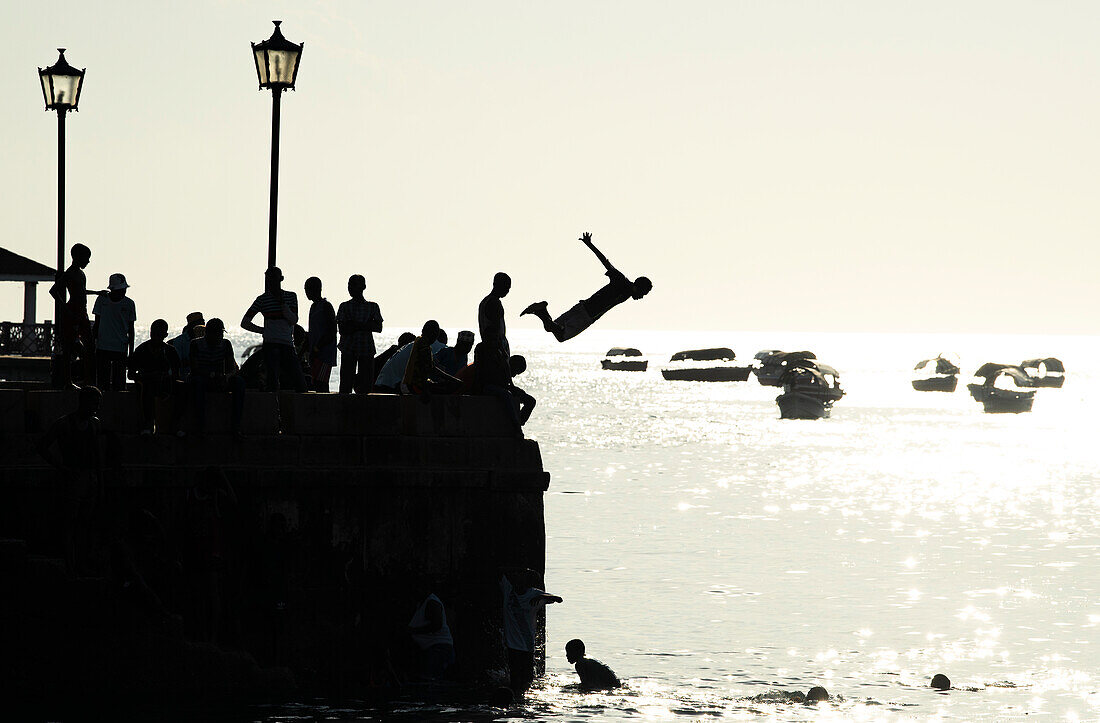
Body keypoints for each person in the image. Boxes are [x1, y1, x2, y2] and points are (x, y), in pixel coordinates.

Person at [521, 232, 651, 342]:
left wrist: (589, 244)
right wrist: (590, 245)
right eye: (643, 293)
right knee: (560, 336)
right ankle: (542, 310)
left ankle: (541, 311)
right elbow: (606, 262)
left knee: (551, 327)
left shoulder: (622, 281)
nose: (641, 297)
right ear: (639, 287)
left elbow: (607, 263)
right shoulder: (622, 282)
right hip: (588, 315)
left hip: (582, 306)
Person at [37, 386, 103, 572]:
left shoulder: (94, 424)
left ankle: (81, 564)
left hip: (89, 479)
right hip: (73, 479)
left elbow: (97, 455)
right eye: (94, 404)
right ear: (83, 403)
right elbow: (42, 446)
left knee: (84, 525)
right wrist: (62, 468)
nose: (96, 408)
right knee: (70, 525)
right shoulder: (64, 424)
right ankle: (71, 565)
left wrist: (100, 481)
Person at [241, 267, 306, 393]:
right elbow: (245, 322)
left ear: (280, 279)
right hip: (271, 344)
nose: (271, 282)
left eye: (274, 279)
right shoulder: (262, 299)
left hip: (287, 344)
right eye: (269, 279)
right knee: (273, 381)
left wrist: (283, 304)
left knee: (299, 381)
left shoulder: (291, 296)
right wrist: (263, 331)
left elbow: (293, 320)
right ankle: (272, 409)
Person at [499, 568, 562, 694]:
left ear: (527, 582)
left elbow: (558, 599)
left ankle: (521, 704)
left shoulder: (534, 594)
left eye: (522, 577)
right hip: (511, 645)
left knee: (526, 681)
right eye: (517, 576)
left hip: (526, 646)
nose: (517, 578)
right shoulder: (508, 590)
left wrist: (541, 596)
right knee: (514, 680)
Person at [49, 243, 99, 387]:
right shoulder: (70, 273)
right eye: (86, 258)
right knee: (69, 348)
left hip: (82, 312)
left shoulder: (80, 273)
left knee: (90, 346)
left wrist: (96, 293)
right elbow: (54, 291)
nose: (88, 262)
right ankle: (68, 380)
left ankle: (89, 380)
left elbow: (81, 292)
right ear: (77, 257)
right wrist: (66, 309)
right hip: (72, 312)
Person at [189, 318, 246, 437]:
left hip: (220, 379)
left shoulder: (226, 344)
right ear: (208, 333)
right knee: (197, 382)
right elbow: (194, 369)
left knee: (239, 382)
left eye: (220, 333)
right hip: (203, 379)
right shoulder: (196, 344)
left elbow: (231, 368)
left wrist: (226, 377)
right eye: (217, 333)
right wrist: (212, 375)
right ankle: (200, 426)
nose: (219, 336)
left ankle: (236, 426)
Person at [128, 319, 184, 436]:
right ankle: (148, 424)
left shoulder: (170, 351)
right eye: (154, 333)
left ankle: (177, 424)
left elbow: (176, 374)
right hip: (147, 383)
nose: (156, 337)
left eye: (159, 334)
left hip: (165, 383)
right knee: (148, 386)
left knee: (182, 388)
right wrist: (145, 376)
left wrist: (166, 377)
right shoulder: (142, 349)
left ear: (165, 335)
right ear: (150, 333)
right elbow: (131, 374)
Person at [335, 274, 383, 394]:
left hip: (364, 348)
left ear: (363, 287)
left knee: (365, 385)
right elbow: (342, 329)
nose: (350, 288)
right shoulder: (345, 306)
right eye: (349, 285)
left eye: (353, 285)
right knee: (346, 384)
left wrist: (354, 325)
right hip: (350, 348)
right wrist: (365, 325)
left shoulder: (372, 306)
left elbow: (378, 327)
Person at [91, 273, 137, 391]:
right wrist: (92, 345)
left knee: (119, 383)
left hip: (120, 348)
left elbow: (131, 329)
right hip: (102, 346)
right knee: (102, 382)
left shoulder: (129, 303)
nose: (123, 292)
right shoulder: (101, 300)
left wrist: (130, 352)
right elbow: (97, 324)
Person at [402, 320, 461, 395]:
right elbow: (431, 369)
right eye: (433, 333)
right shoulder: (424, 345)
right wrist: (453, 379)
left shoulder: (419, 341)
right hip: (414, 386)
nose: (433, 336)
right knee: (451, 387)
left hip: (411, 384)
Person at [407, 591, 455, 681]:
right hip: (433, 649)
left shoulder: (432, 602)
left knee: (430, 682)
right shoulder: (421, 603)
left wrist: (414, 631)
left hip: (438, 649)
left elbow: (437, 625)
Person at [374, 332, 445, 393]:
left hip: (382, 384)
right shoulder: (429, 347)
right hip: (390, 387)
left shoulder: (401, 351)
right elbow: (432, 369)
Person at [304, 277, 338, 392]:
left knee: (321, 383)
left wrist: (317, 348)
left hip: (324, 354)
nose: (306, 292)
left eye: (308, 289)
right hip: (316, 354)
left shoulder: (326, 306)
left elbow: (331, 331)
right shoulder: (314, 307)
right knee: (316, 383)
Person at [479, 272, 511, 356]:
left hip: (489, 346)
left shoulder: (484, 301)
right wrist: (501, 351)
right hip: (494, 349)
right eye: (507, 287)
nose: (508, 290)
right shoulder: (494, 303)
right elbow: (495, 329)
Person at [169, 312, 205, 380]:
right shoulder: (179, 341)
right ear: (191, 325)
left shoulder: (205, 340)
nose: (202, 325)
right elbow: (177, 364)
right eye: (198, 323)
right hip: (184, 379)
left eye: (203, 322)